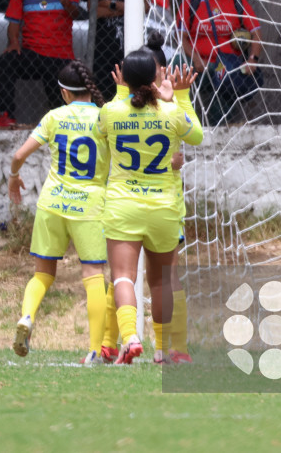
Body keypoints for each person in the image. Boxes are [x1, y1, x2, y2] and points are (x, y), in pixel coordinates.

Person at [94, 48, 203, 364]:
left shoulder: (110, 112)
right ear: (158, 75)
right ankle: (163, 349)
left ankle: (129, 337)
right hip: (163, 209)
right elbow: (196, 135)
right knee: (161, 281)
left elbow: (103, 126)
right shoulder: (170, 113)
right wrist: (179, 97)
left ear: (123, 78)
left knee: (123, 278)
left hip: (123, 207)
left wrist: (119, 93)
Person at [8, 60, 108, 365]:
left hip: (52, 204)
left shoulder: (53, 117)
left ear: (64, 92)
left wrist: (14, 177)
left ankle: (26, 317)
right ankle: (93, 350)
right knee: (93, 276)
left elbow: (18, 155)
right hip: (89, 205)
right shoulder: (105, 118)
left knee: (42, 273)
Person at [0, 0, 80, 129]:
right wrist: (15, 41)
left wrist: (64, 0)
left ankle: (63, 123)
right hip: (33, 54)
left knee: (59, 100)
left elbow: (76, 14)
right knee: (6, 61)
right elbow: (14, 22)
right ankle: (6, 116)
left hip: (60, 56)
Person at [179, 0, 263, 125]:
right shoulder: (191, 2)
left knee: (220, 111)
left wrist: (252, 59)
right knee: (176, 65)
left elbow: (256, 33)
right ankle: (180, 122)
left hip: (227, 67)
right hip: (198, 63)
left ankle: (217, 130)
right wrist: (195, 59)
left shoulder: (237, 2)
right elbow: (182, 37)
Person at [82, 0, 153, 101]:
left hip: (134, 48)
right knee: (102, 92)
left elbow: (145, 7)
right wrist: (128, 7)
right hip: (102, 48)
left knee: (133, 91)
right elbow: (94, 11)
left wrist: (111, 4)